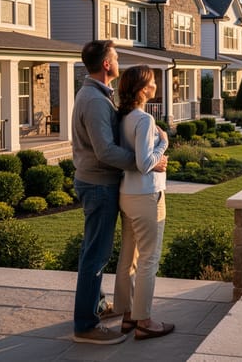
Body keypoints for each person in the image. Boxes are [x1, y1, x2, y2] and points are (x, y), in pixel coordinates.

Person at [71, 40, 167, 344]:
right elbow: (105, 152)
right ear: (106, 65)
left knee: (109, 253)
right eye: (116, 57)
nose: (119, 61)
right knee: (96, 255)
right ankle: (86, 324)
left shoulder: (99, 98)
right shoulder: (96, 101)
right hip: (99, 185)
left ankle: (100, 307)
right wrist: (147, 164)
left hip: (109, 186)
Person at [113, 65, 175, 340]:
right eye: (151, 82)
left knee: (129, 257)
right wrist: (163, 143)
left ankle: (127, 316)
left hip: (127, 195)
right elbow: (145, 162)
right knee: (149, 259)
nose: (155, 85)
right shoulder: (144, 120)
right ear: (141, 90)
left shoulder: (123, 117)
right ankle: (145, 322)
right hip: (147, 197)